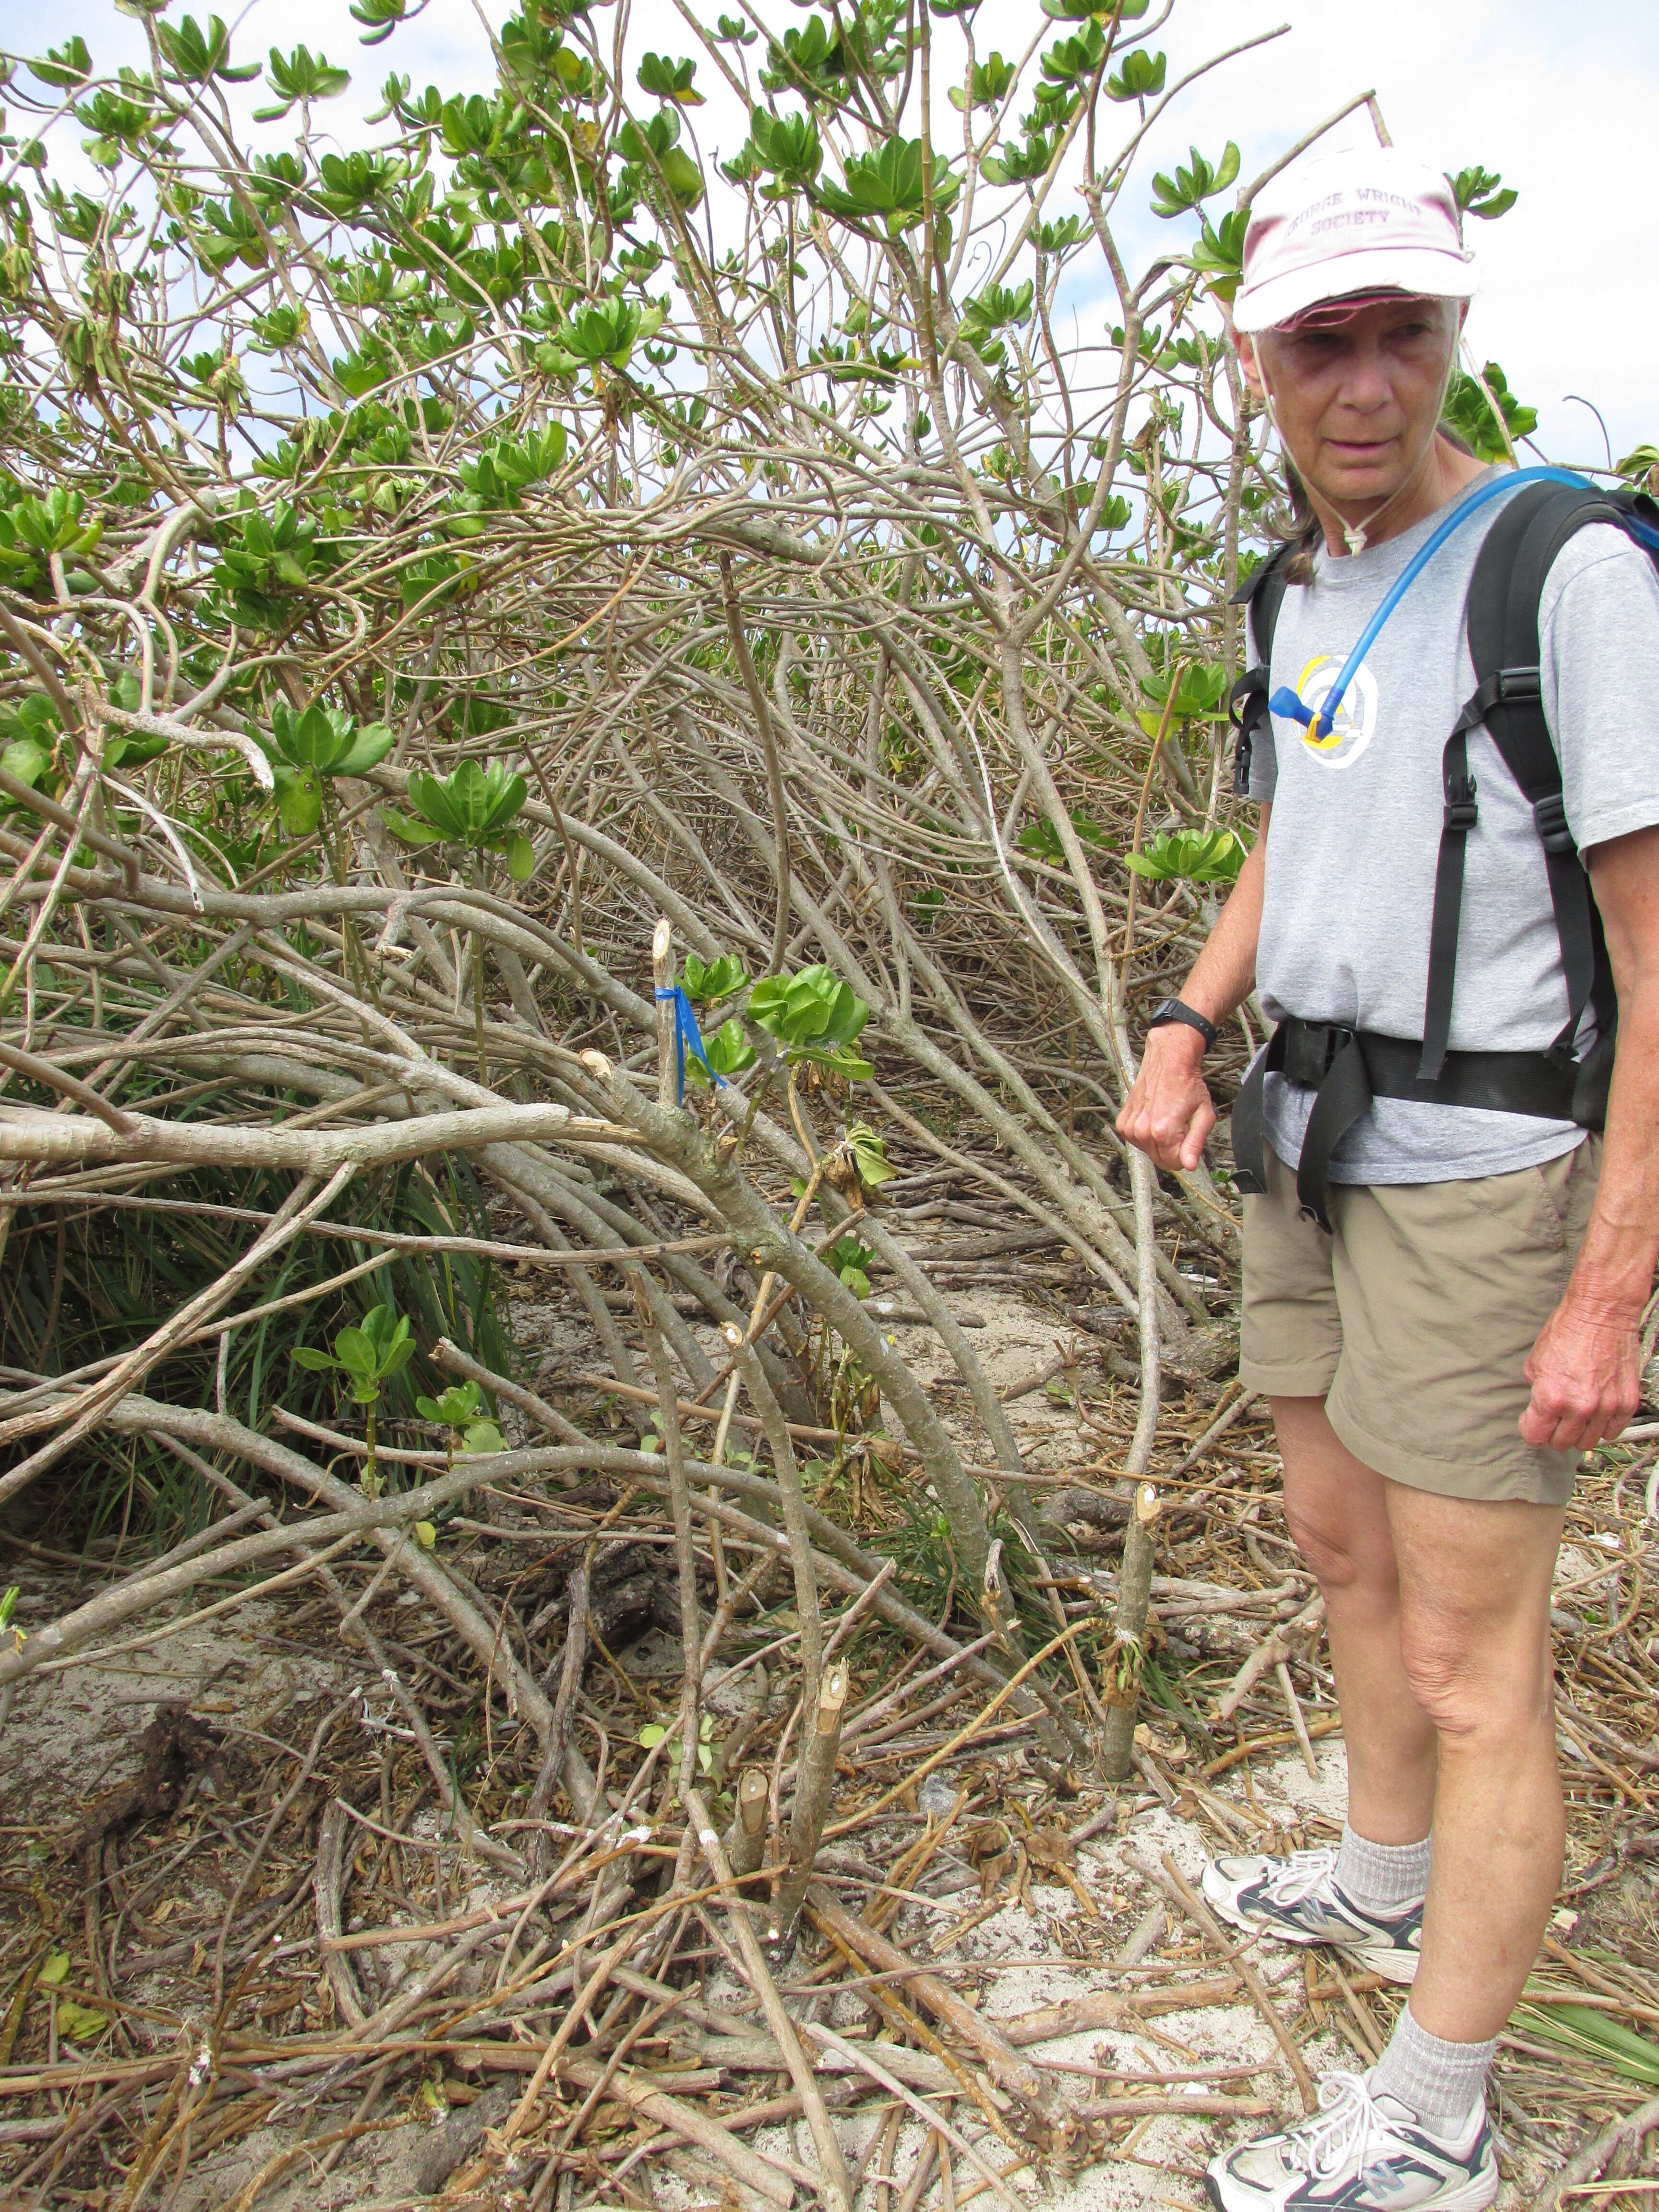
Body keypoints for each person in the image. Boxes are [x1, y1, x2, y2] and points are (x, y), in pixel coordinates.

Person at [1116, 144, 1659, 2212]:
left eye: (1397, 334)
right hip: (1303, 1144)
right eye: (1319, 339)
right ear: (1254, 359)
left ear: (1455, 337)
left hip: (1483, 1178)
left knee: (1474, 1655)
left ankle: (1439, 2105)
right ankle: (1374, 1880)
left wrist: (1609, 1283)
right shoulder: (1297, 586)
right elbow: (1292, 826)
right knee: (1341, 1555)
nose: (1361, 382)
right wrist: (1187, 1023)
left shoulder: (1567, 567)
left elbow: (1650, 956)